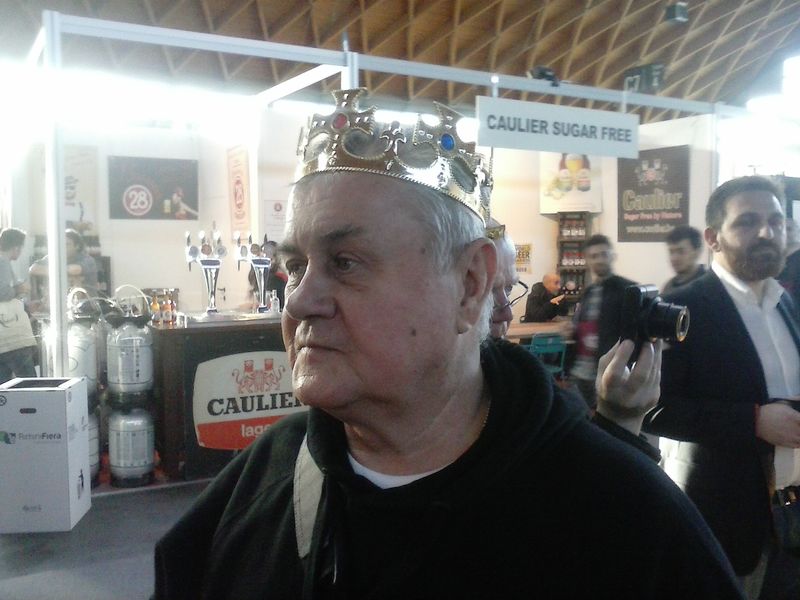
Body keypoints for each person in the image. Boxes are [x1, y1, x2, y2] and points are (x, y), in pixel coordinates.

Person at [154, 89, 743, 599]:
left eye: (346, 262)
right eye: (297, 266)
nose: (300, 301)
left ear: (469, 284)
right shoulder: (268, 473)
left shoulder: (620, 517)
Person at [644, 175, 800, 599]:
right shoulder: (683, 308)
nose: (766, 232)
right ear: (713, 238)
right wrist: (753, 420)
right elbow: (654, 407)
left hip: (791, 518)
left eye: (775, 221)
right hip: (727, 517)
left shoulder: (785, 302)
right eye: (747, 222)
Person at [570, 234, 635, 410]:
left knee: (608, 420)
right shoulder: (588, 292)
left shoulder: (628, 290)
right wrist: (572, 329)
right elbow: (585, 327)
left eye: (603, 254)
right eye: (594, 256)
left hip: (610, 373)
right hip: (581, 372)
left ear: (612, 256)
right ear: (587, 260)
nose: (599, 260)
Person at [0, 227, 36, 381]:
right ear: (16, 247)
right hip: (12, 338)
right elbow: (2, 292)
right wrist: (19, 289)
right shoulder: (3, 262)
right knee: (29, 383)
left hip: (3, 341)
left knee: (4, 387)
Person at [29, 228, 99, 297]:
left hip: (86, 302)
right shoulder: (53, 257)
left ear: (77, 246)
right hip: (57, 300)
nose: (63, 247)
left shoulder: (87, 259)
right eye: (60, 244)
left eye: (67, 244)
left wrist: (49, 271)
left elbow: (75, 270)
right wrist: (61, 272)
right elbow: (33, 269)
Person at [662, 224, 706, 293]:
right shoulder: (668, 287)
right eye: (671, 252)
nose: (674, 258)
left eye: (681, 251)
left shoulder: (709, 285)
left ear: (697, 252)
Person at [778, 218, 800, 310]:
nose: (785, 233)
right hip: (782, 307)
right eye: (781, 229)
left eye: (789, 229)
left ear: (798, 231)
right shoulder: (773, 256)